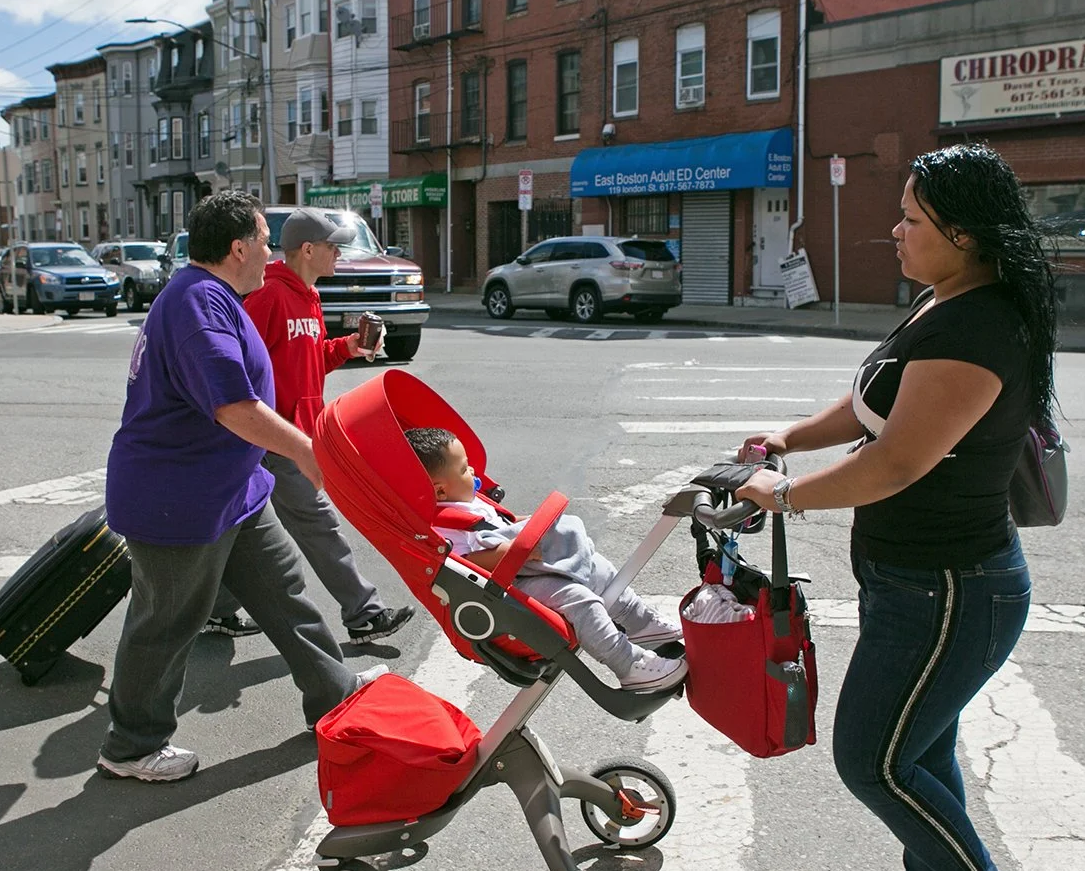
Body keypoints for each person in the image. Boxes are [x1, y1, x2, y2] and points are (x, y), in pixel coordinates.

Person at [733, 143, 1048, 871]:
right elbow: (878, 397)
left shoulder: (977, 330)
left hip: (950, 589)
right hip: (916, 579)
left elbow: (896, 461)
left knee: (872, 758)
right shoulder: (944, 302)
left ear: (968, 236)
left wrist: (784, 495)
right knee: (924, 747)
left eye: (914, 219)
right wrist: (791, 436)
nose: (896, 230)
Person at [98, 191, 373, 783]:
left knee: (286, 594)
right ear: (238, 247)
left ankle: (335, 696)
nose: (270, 253)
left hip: (234, 492)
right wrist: (307, 450)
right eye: (265, 241)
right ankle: (131, 745)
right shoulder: (199, 304)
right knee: (166, 622)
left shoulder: (216, 297)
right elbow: (233, 407)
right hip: (179, 501)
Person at [205, 209, 415, 646]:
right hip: (275, 438)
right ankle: (364, 613)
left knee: (244, 530)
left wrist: (349, 347)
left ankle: (219, 611)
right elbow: (240, 363)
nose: (339, 254)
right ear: (308, 250)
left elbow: (309, 358)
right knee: (318, 524)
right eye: (333, 247)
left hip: (298, 432)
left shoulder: (309, 295)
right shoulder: (269, 297)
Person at [405, 427, 688, 693]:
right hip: (505, 586)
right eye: (465, 469)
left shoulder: (468, 500)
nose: (474, 471)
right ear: (440, 490)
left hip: (523, 569)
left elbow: (501, 524)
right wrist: (515, 550)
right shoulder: (441, 527)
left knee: (598, 567)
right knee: (578, 598)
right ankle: (628, 665)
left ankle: (637, 620)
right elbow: (463, 564)